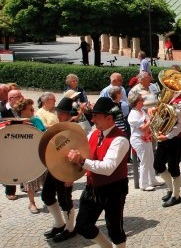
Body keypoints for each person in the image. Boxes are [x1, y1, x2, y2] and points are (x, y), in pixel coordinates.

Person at [67, 97, 130, 248]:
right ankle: (107, 247)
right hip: (93, 187)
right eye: (92, 115)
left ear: (109, 118)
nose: (93, 119)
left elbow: (108, 168)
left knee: (115, 229)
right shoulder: (94, 134)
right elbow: (84, 154)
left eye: (96, 116)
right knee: (82, 226)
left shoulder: (120, 139)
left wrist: (81, 161)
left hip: (114, 189)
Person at [40, 97, 78, 242]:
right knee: (47, 196)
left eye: (62, 113)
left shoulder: (73, 128)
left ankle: (70, 228)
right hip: (54, 167)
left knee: (65, 200)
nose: (59, 116)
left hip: (66, 171)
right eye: (58, 113)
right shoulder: (59, 126)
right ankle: (59, 223)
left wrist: (71, 176)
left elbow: (77, 153)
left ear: (69, 114)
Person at [150, 89, 181, 207]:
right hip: (163, 136)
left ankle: (176, 196)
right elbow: (160, 117)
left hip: (175, 138)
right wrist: (153, 112)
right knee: (158, 165)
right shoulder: (164, 100)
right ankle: (171, 189)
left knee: (173, 167)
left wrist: (168, 136)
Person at [13, 99, 44, 214]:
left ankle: (48, 199)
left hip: (39, 152)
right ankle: (32, 203)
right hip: (26, 155)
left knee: (45, 178)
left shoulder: (36, 120)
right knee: (30, 180)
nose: (33, 110)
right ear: (22, 111)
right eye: (30, 109)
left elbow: (43, 133)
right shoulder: (14, 123)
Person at [127, 92, 160, 191]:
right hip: (139, 140)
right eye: (141, 100)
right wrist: (152, 119)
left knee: (150, 159)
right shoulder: (133, 114)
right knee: (144, 161)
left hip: (146, 139)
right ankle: (144, 184)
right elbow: (144, 128)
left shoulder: (141, 111)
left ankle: (152, 180)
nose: (143, 101)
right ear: (136, 102)